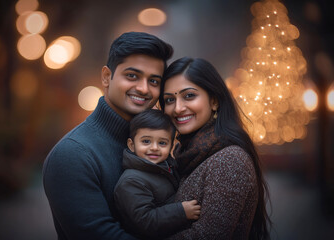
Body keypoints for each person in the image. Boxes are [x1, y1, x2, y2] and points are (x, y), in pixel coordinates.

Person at [42, 31, 173, 240]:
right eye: (132, 76)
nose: (143, 88)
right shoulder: (72, 155)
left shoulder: (158, 145)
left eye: (154, 81)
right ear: (106, 77)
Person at [159, 57, 271, 239]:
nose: (177, 108)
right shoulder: (186, 156)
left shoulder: (229, 160)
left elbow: (206, 235)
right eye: (169, 100)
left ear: (214, 101)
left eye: (189, 96)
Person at [114, 109, 201, 239]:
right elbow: (145, 222)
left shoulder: (166, 167)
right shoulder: (131, 181)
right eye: (146, 141)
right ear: (132, 145)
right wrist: (181, 212)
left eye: (162, 143)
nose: (154, 147)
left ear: (171, 146)